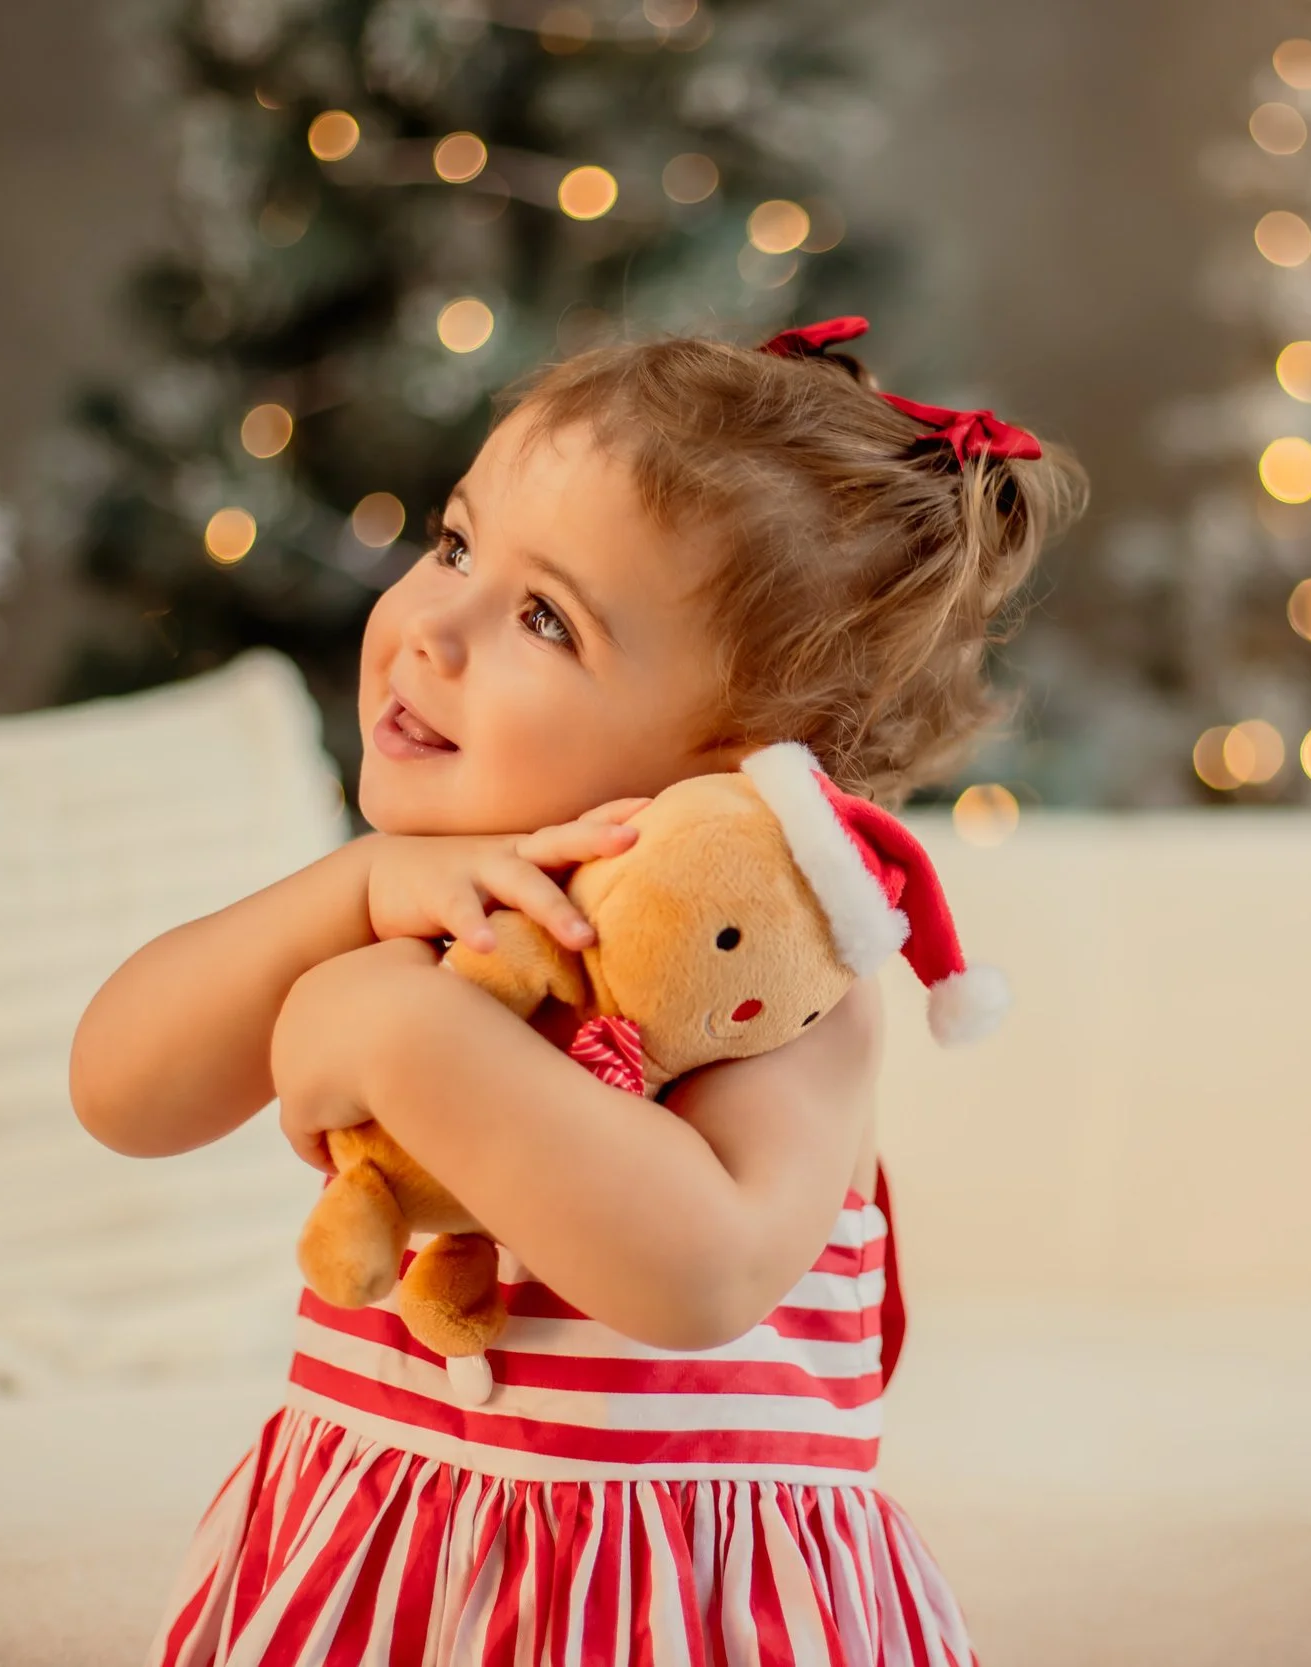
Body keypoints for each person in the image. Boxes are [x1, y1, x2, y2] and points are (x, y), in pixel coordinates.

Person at [70, 318, 1085, 1666]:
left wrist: (390, 1024)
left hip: (671, 1609)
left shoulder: (781, 996)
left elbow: (702, 1267)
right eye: (454, 544)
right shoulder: (417, 898)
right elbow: (120, 1094)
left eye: (546, 617)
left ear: (742, 767)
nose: (432, 625)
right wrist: (353, 895)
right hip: (378, 1578)